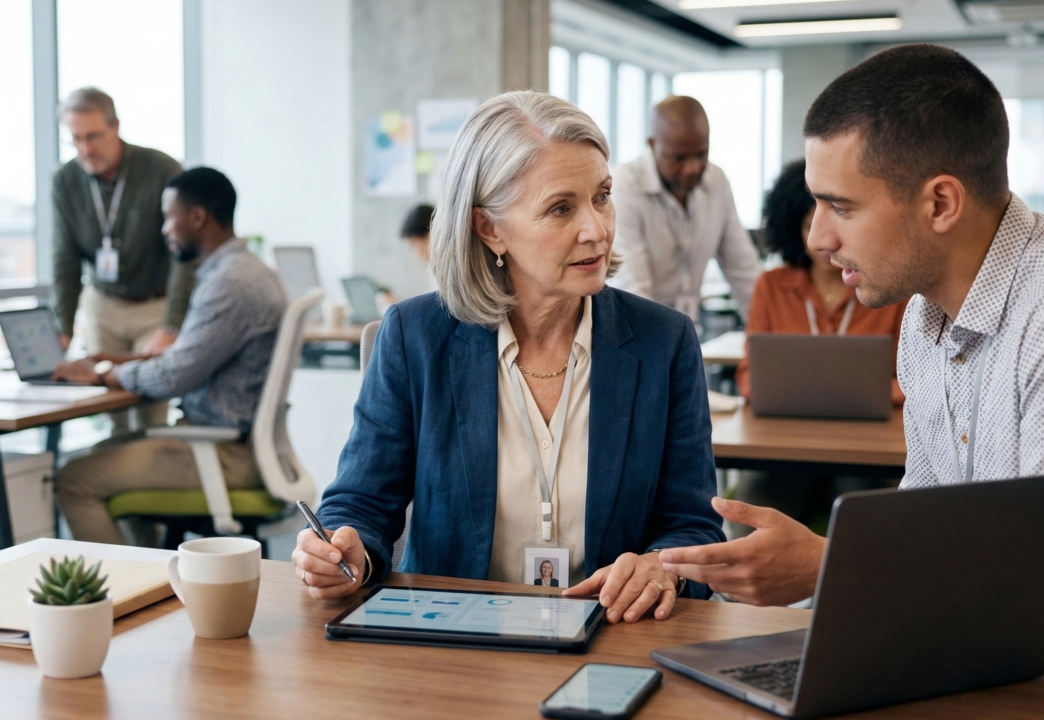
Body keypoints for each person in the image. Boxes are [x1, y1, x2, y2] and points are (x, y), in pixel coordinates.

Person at [293, 91, 724, 626]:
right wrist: (341, 550)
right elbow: (359, 501)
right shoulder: (415, 335)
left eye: (602, 196)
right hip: (451, 638)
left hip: (612, 634)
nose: (596, 229)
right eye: (560, 208)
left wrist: (664, 566)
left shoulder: (665, 341)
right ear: (489, 228)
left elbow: (693, 524)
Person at [661, 44, 1044, 607]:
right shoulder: (924, 315)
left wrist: (830, 565)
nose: (819, 238)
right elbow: (925, 521)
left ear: (941, 203)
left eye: (840, 207)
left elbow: (1039, 571)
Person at [50, 167, 286, 545]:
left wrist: (104, 373)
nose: (163, 229)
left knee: (74, 479)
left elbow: (175, 376)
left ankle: (124, 595)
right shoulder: (245, 271)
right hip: (231, 443)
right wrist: (118, 360)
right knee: (103, 450)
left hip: (223, 454)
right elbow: (190, 356)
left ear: (196, 217)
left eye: (167, 217)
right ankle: (150, 578)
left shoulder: (228, 283)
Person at [52, 87, 193, 432]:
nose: (86, 149)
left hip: (153, 307)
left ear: (115, 126)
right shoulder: (66, 180)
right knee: (112, 414)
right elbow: (65, 261)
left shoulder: (160, 168)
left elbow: (184, 254)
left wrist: (171, 324)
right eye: (76, 139)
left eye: (94, 136)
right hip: (103, 307)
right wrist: (63, 329)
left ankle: (145, 477)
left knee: (150, 410)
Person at [736, 159, 907, 404]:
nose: (825, 241)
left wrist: (817, 392)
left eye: (840, 224)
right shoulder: (771, 286)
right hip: (790, 429)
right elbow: (749, 379)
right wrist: (856, 392)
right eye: (809, 228)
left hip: (872, 435)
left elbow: (916, 385)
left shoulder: (892, 289)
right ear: (794, 230)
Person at [607, 96, 762, 322]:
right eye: (678, 158)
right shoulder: (624, 186)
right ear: (652, 145)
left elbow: (744, 271)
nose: (692, 168)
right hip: (637, 329)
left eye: (701, 154)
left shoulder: (716, 180)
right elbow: (633, 289)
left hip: (686, 330)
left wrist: (768, 338)